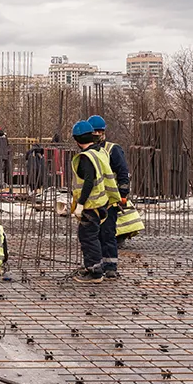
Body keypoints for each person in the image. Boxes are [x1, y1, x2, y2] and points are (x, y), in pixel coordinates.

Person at [67, 118, 119, 282]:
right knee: (92, 236)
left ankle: (95, 271)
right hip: (103, 202)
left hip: (92, 204)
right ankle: (95, 267)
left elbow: (89, 181)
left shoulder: (86, 157)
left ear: (77, 139)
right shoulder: (99, 152)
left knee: (88, 237)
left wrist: (81, 204)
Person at [80, 115, 130, 276]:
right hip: (93, 201)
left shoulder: (112, 149)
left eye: (99, 132)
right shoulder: (88, 151)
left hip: (109, 200)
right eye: (94, 132)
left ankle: (110, 267)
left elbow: (123, 173)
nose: (97, 135)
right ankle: (97, 265)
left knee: (107, 233)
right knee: (93, 235)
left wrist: (123, 194)